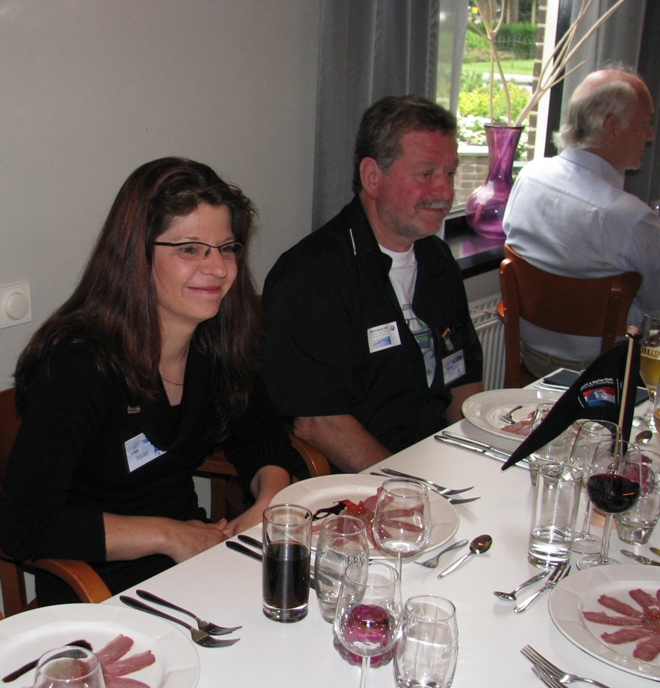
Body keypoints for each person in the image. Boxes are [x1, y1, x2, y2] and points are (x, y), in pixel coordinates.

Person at [0, 157, 301, 605]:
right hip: (96, 588)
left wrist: (267, 505)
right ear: (136, 255)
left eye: (226, 247)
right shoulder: (78, 365)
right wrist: (167, 535)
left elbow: (260, 433)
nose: (219, 268)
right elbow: (25, 525)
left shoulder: (216, 339)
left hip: (190, 566)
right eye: (190, 249)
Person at [264, 95, 484, 474]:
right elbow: (318, 422)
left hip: (436, 465)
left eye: (449, 174)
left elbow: (463, 378)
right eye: (426, 174)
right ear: (372, 177)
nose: (445, 192)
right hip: (361, 483)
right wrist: (409, 490)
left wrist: (477, 461)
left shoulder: (437, 260)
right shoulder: (311, 276)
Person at [503, 66, 659, 379]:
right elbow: (656, 304)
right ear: (612, 128)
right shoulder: (631, 219)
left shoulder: (530, 176)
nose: (650, 136)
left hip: (531, 357)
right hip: (604, 374)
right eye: (644, 124)